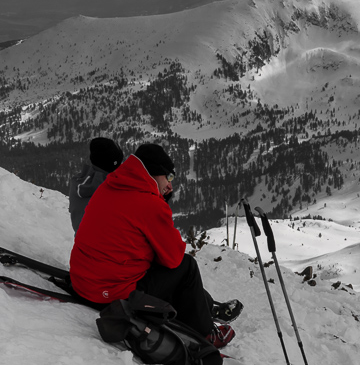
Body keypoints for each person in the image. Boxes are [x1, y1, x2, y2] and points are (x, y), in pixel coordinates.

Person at [71, 144, 241, 350]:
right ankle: (206, 333)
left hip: (82, 283)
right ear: (152, 174)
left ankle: (202, 304)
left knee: (159, 266)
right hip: (111, 295)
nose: (170, 185)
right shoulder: (149, 203)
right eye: (168, 177)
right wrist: (160, 204)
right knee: (187, 267)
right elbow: (173, 258)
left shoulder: (109, 186)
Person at [67, 137, 122, 231]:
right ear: (113, 165)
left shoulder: (78, 182)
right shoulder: (113, 190)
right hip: (109, 244)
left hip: (82, 242)